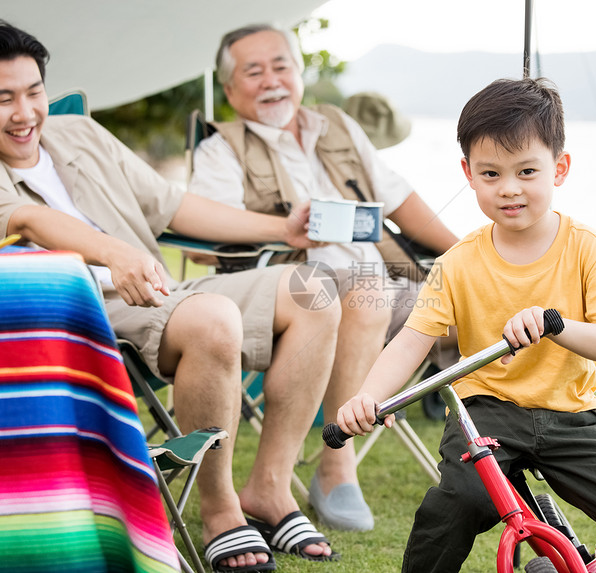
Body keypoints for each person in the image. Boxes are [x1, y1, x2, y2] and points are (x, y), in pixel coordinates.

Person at [0, 19, 343, 572]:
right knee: (213, 318)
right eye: (3, 98)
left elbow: (170, 206)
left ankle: (269, 491)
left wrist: (282, 231)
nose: (26, 113)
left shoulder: (76, 132)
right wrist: (115, 253)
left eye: (34, 92)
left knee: (315, 290)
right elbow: (32, 220)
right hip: (87, 318)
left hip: (165, 290)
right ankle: (220, 511)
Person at [336, 77, 596, 573]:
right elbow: (411, 341)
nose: (509, 188)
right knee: (456, 505)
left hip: (572, 414)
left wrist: (555, 324)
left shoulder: (587, 247)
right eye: (490, 173)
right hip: (487, 411)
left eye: (527, 170)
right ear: (468, 173)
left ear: (559, 168)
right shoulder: (457, 262)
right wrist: (367, 396)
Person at [188, 24, 460, 532]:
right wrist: (284, 232)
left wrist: (475, 256)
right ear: (229, 89)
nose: (271, 80)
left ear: (299, 73)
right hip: (293, 294)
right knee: (363, 289)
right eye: (253, 70)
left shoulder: (338, 126)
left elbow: (402, 203)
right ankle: (337, 463)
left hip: (382, 283)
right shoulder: (220, 149)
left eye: (281, 65)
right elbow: (205, 242)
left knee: (476, 303)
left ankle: (490, 467)